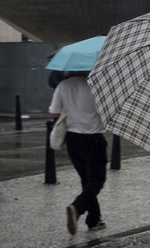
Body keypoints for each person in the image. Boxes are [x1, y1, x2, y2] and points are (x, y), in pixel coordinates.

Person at [48, 70, 108, 235]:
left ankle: (94, 220)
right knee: (97, 181)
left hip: (73, 139)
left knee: (86, 180)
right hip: (93, 138)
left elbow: (53, 112)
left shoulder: (63, 85)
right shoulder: (96, 85)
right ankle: (77, 208)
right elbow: (104, 113)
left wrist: (71, 111)